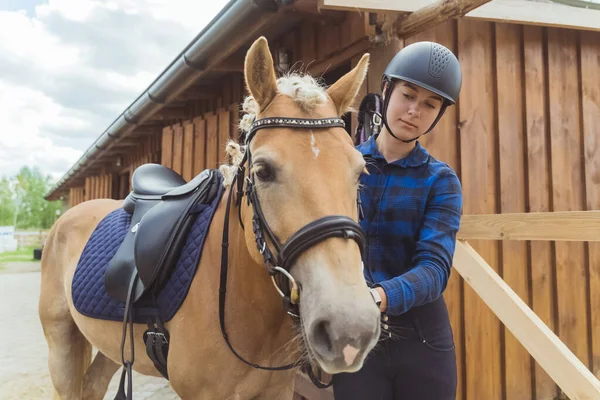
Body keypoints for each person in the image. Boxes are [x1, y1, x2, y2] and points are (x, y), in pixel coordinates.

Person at [332, 41, 463, 399]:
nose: (413, 111)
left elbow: (435, 269)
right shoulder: (344, 168)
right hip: (357, 339)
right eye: (408, 95)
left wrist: (376, 297)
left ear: (439, 113)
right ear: (387, 89)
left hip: (422, 341)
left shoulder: (441, 181)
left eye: (429, 104)